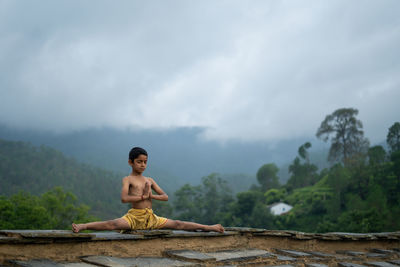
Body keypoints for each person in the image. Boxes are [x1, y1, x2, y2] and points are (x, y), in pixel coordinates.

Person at [72, 147, 224, 233]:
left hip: (151, 217)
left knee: (178, 223)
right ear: (130, 162)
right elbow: (124, 198)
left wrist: (151, 195)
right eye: (139, 162)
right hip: (134, 217)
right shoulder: (128, 179)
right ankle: (83, 226)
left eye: (145, 162)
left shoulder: (149, 180)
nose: (143, 165)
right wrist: (142, 198)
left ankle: (209, 227)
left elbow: (165, 196)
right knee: (112, 224)